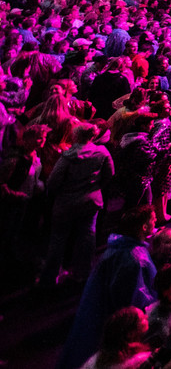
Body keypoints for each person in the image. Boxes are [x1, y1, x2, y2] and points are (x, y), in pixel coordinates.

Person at [60, 206, 159, 369]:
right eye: (153, 220)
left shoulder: (118, 248)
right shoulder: (134, 259)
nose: (155, 222)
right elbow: (131, 297)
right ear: (144, 226)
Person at [42, 121, 115, 288]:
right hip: (91, 200)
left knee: (58, 238)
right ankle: (83, 274)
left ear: (75, 135)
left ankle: (50, 277)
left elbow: (53, 181)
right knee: (87, 237)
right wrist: (95, 187)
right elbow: (110, 174)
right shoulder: (102, 152)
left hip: (66, 202)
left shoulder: (68, 156)